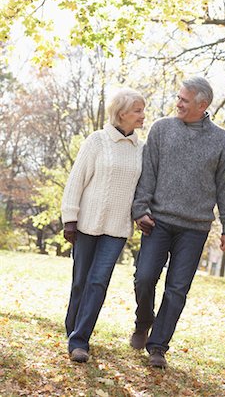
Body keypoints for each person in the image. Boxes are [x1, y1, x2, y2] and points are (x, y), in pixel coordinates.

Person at [130, 76, 225, 368]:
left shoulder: (221, 140)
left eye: (184, 100)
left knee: (177, 288)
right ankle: (143, 321)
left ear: (202, 105)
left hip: (195, 227)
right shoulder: (162, 129)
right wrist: (140, 209)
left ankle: (158, 347)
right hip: (158, 221)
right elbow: (147, 172)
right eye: (178, 97)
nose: (178, 103)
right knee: (145, 276)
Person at [61, 88, 145, 363]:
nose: (143, 115)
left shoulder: (141, 149)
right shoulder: (97, 141)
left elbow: (143, 189)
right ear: (122, 113)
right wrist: (70, 218)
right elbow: (77, 180)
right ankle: (71, 328)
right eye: (138, 110)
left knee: (98, 283)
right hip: (86, 224)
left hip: (117, 229)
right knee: (80, 282)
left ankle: (80, 340)